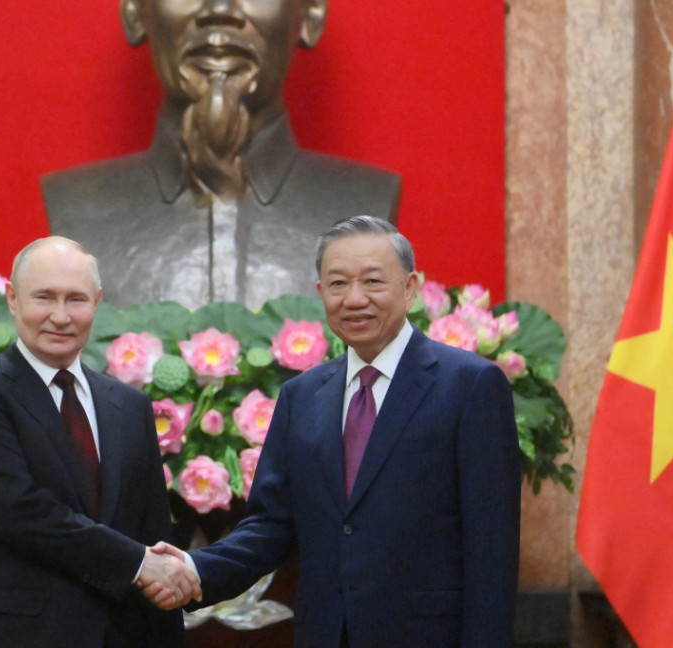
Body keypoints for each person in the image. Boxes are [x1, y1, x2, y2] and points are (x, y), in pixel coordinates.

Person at [147, 216, 522, 646]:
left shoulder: (469, 385)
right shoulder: (301, 396)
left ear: (410, 287)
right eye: (339, 284)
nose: (355, 299)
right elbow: (271, 524)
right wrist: (195, 570)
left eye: (373, 282)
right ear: (322, 293)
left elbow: (491, 548)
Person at [42, 0, 400, 310]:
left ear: (311, 13)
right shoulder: (76, 206)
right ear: (135, 12)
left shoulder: (369, 201)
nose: (219, 10)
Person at [0, 236, 198, 648]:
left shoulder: (129, 405)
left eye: (75, 299)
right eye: (44, 297)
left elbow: (151, 527)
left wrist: (166, 587)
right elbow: (21, 512)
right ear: (13, 299)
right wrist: (139, 563)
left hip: (121, 633)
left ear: (96, 302)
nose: (60, 316)